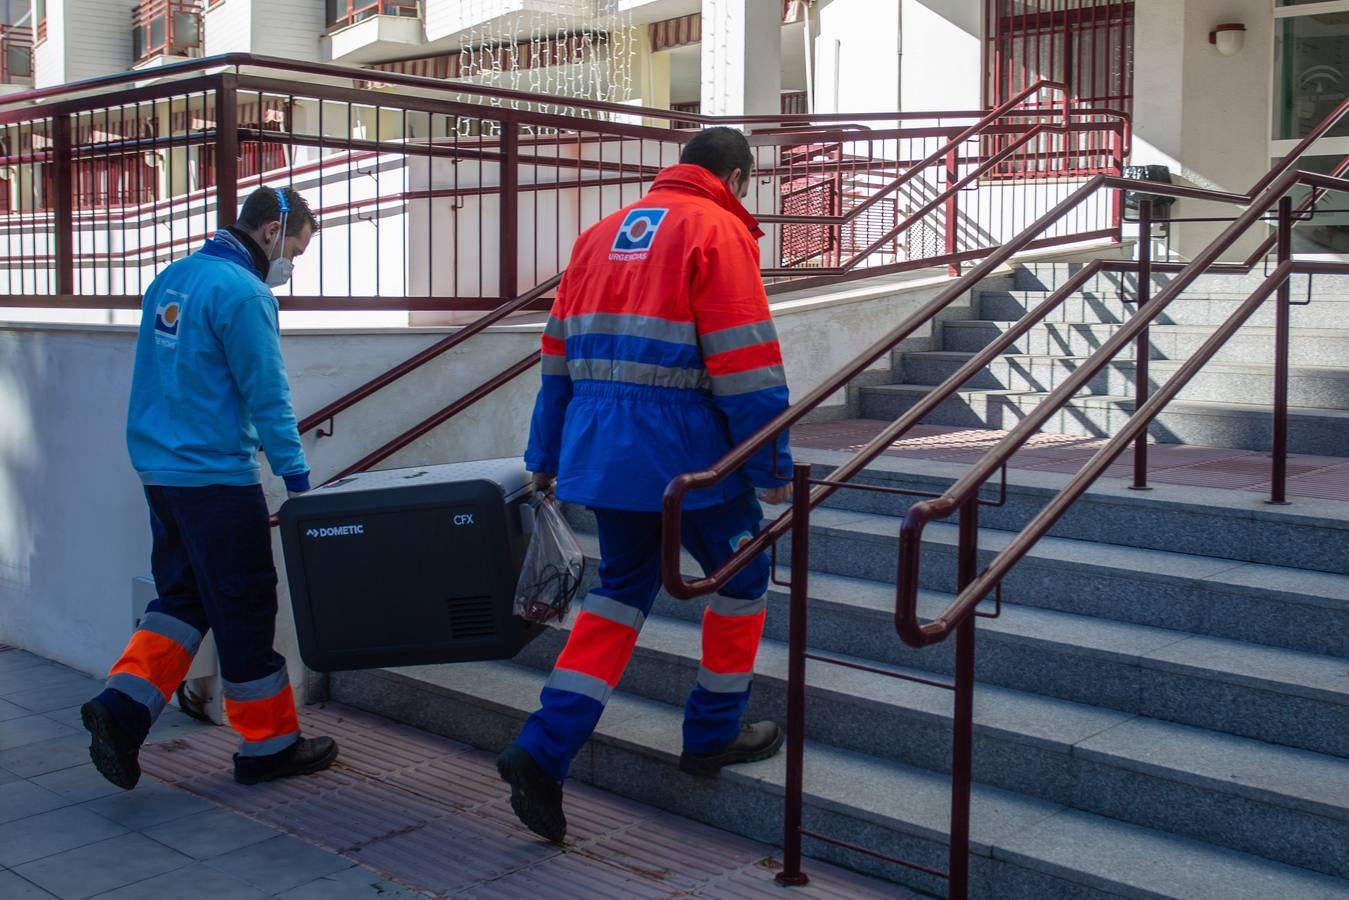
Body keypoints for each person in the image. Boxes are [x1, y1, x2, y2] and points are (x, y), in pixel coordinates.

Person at [496, 127, 793, 843]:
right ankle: (712, 732)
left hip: (604, 458)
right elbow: (745, 365)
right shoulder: (717, 230)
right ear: (737, 175)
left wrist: (545, 453)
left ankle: (542, 748)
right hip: (691, 464)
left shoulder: (598, 236)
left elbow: (556, 359)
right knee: (742, 576)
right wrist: (772, 466)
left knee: (620, 594)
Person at [81, 186, 340, 789]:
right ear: (273, 232)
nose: (291, 267)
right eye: (295, 253)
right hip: (216, 480)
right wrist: (296, 478)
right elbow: (267, 393)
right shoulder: (244, 293)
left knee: (182, 600)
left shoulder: (174, 277)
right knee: (245, 604)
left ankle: (121, 709)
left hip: (162, 475)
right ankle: (269, 745)